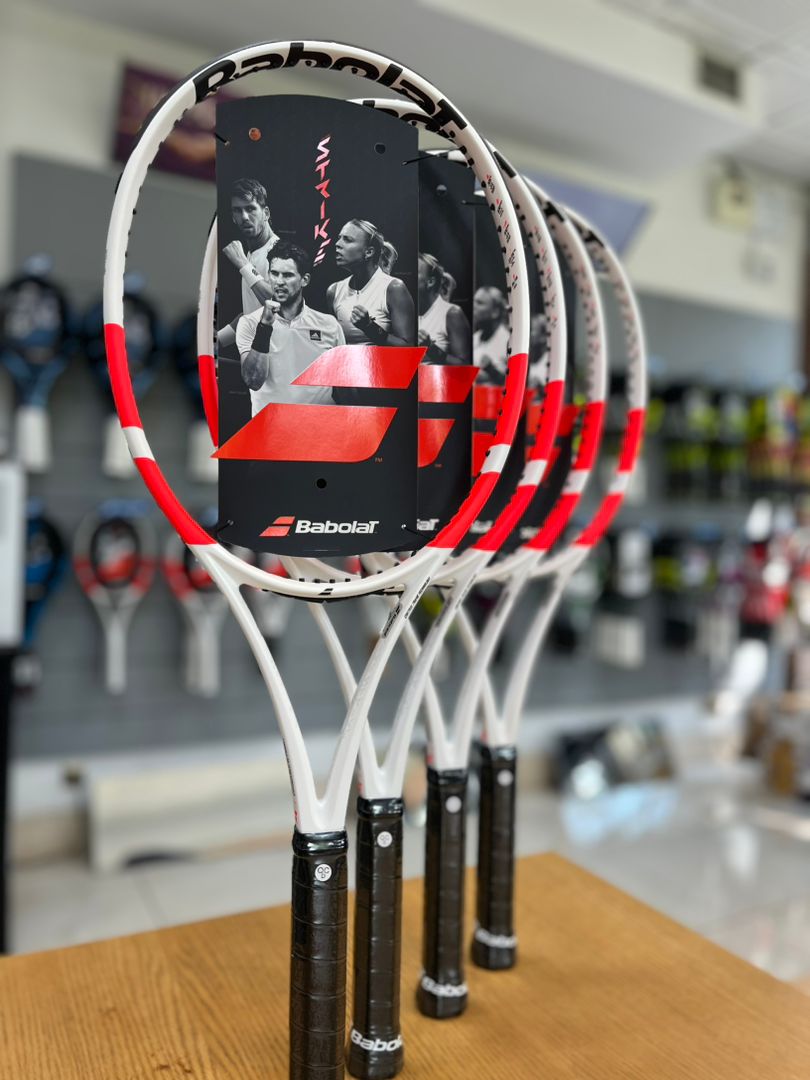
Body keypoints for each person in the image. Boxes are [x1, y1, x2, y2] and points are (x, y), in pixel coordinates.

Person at [235, 241, 345, 415]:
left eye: (287, 275)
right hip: (269, 428)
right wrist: (264, 327)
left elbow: (343, 385)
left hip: (319, 427)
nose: (279, 282)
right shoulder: (250, 322)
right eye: (274, 273)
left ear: (305, 280)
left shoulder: (329, 325)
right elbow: (253, 381)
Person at [327, 219, 415, 347]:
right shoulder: (333, 291)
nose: (337, 244)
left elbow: (408, 347)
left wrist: (369, 327)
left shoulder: (394, 288)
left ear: (368, 252)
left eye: (347, 240)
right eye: (339, 238)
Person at [218, 178, 279, 349]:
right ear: (233, 217)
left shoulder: (279, 251)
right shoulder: (251, 254)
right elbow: (251, 315)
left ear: (266, 213)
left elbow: (280, 305)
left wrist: (243, 265)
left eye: (251, 208)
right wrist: (217, 341)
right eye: (238, 211)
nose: (244, 217)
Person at [417, 253, 471, 365]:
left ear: (430, 282)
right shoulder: (407, 311)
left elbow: (464, 365)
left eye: (416, 271)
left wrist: (431, 349)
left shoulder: (452, 313)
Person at [473, 286, 510, 384]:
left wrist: (491, 370)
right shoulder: (474, 339)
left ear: (495, 312)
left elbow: (512, 381)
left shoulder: (509, 341)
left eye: (480, 303)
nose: (473, 306)